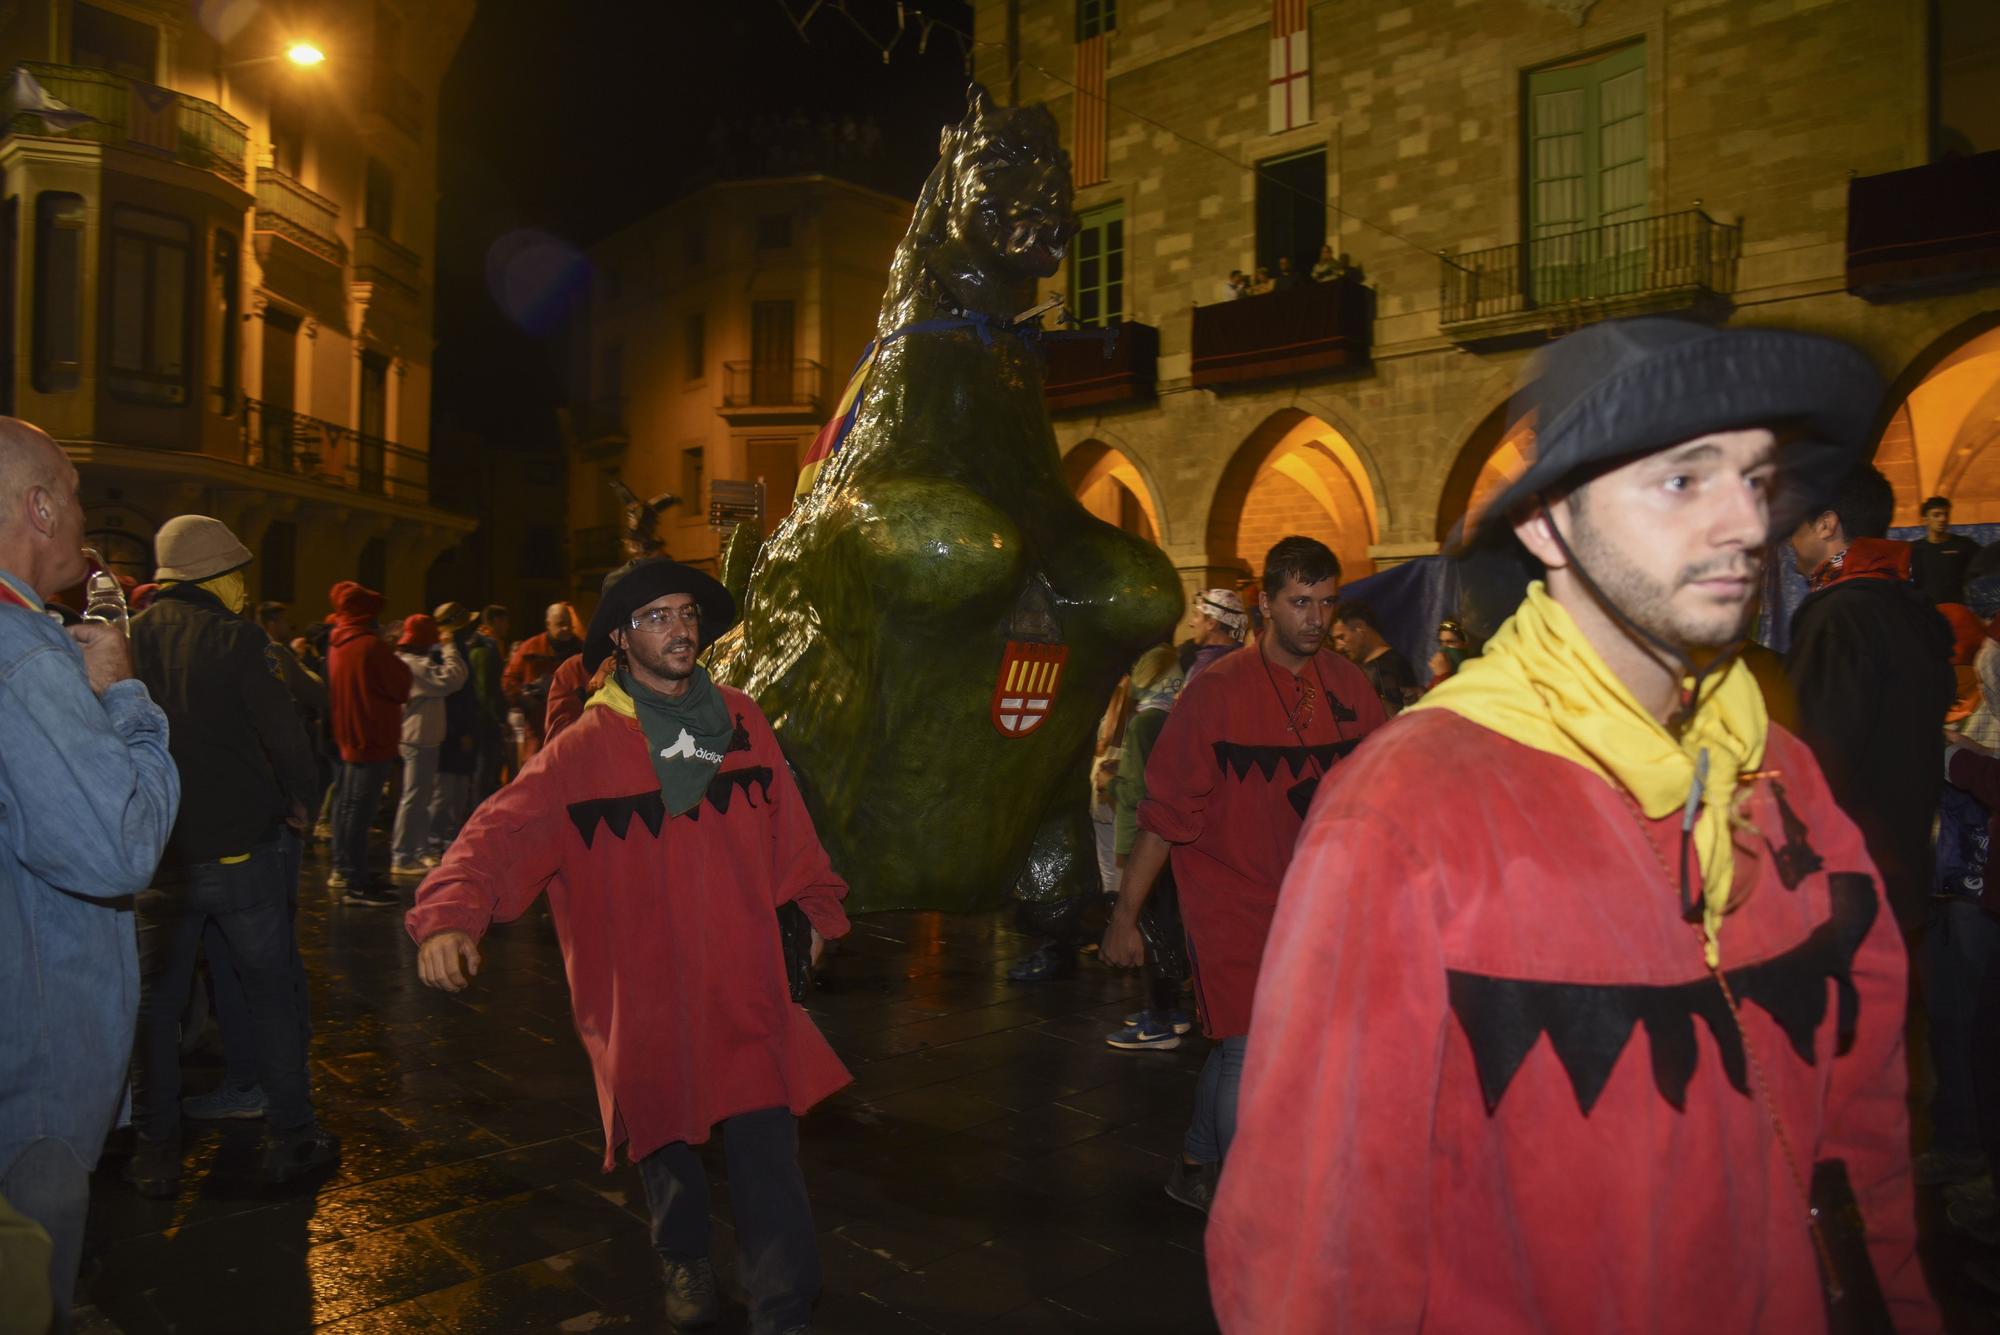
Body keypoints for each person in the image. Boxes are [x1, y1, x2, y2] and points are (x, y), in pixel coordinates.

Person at [1207, 317, 1935, 1332]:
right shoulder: (1405, 816)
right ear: (1546, 526)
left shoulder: (1782, 778)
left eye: (1753, 477)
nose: (1739, 521)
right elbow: (1315, 1246)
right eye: (1681, 480)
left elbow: (1862, 1138)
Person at [407, 558, 850, 1335]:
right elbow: (498, 832)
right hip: (644, 991)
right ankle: (683, 1254)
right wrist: (449, 913)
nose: (680, 630)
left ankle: (785, 1310)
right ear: (620, 636)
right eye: (657, 617)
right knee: (665, 1134)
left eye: (686, 614)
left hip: (746, 981)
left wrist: (813, 911)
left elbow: (793, 831)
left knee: (767, 1154)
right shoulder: (586, 748)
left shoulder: (744, 719)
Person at [1101, 536, 1387, 1214]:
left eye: (1326, 603)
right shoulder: (1216, 691)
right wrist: (1124, 915)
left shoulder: (1349, 685)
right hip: (1231, 896)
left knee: (1246, 1045)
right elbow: (1166, 813)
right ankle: (1244, 1208)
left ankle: (1197, 1159)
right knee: (1249, 1048)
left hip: (1318, 903)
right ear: (1265, 603)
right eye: (1299, 603)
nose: (1315, 619)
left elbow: (1385, 787)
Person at [0, 417, 179, 1325]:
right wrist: (121, 692)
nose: (79, 514)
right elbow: (120, 845)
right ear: (37, 505)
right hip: (33, 1044)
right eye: (70, 494)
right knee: (28, 1264)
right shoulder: (26, 655)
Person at [125, 515, 335, 1196]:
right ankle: (293, 1134)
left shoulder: (129, 638)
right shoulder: (237, 637)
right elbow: (285, 734)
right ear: (217, 576)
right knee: (269, 988)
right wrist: (305, 797)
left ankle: (156, 1150)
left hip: (157, 857)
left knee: (155, 1006)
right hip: (241, 850)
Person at [1786, 464, 1956, 940]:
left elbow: (1812, 759)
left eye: (1795, 525)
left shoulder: (1840, 617)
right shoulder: (1907, 607)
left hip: (1841, 885)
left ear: (1826, 524)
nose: (1789, 541)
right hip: (1899, 873)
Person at [186, 598, 331, 1124]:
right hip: (261, 821)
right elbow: (294, 719)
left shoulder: (162, 642)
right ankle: (282, 1078)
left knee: (248, 960)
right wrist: (302, 798)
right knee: (267, 957)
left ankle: (266, 1080)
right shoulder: (251, 646)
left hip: (228, 827)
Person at [1103, 645, 1193, 1052]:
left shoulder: (1144, 724)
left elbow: (1139, 794)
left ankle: (1158, 1020)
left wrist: (1126, 846)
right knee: (1170, 923)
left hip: (1151, 841)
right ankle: (1171, 1012)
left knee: (1152, 928)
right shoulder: (1175, 715)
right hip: (1178, 840)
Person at [327, 581, 411, 906]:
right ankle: (356, 882)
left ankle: (348, 868)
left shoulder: (337, 642)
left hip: (349, 736)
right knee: (359, 813)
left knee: (347, 808)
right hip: (373, 737)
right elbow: (400, 686)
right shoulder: (370, 646)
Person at [390, 613, 468, 880]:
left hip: (420, 737)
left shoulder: (408, 662)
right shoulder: (415, 666)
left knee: (419, 798)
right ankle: (403, 854)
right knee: (414, 799)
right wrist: (449, 648)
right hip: (418, 739)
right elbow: (454, 678)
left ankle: (417, 850)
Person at [427, 603, 482, 855]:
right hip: (451, 730)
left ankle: (445, 833)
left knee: (455, 787)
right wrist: (462, 731)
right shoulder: (445, 653)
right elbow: (455, 697)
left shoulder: (454, 650)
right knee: (446, 788)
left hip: (455, 728)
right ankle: (436, 835)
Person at [502, 601, 584, 758]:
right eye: (560, 624)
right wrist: (523, 695)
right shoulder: (530, 648)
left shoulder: (582, 649)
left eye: (568, 624)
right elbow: (509, 679)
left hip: (573, 723)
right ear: (548, 624)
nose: (566, 629)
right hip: (538, 724)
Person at [1332, 600, 1420, 714]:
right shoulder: (1374, 667)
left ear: (1359, 627)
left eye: (1341, 637)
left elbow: (1394, 720)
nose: (1338, 647)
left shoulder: (1387, 668)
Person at [469, 604, 511, 797]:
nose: (507, 626)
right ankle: (479, 807)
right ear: (495, 621)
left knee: (485, 765)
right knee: (484, 764)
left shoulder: (487, 644)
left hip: (483, 714)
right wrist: (497, 717)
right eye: (504, 621)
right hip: (486, 717)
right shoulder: (486, 648)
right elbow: (487, 688)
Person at [1910, 494, 1981, 606]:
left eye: (1946, 514)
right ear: (1925, 519)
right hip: (1928, 613)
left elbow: (1985, 567)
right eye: (1936, 515)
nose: (1943, 519)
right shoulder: (1915, 549)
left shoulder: (1964, 545)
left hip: (1956, 611)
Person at [1185, 588, 1247, 689]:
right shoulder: (1245, 659)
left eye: (1196, 615)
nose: (1191, 623)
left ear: (1211, 623)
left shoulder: (1205, 669)